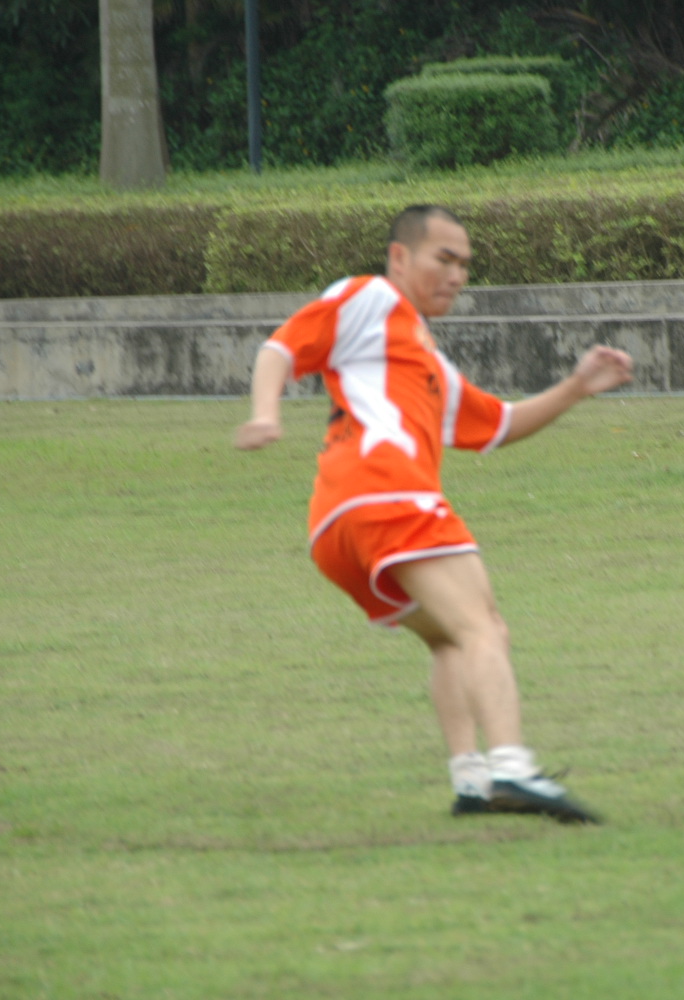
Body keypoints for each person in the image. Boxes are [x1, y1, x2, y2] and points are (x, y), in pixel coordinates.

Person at [235, 204, 633, 823]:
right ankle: (512, 768)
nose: (456, 275)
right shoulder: (371, 298)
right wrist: (266, 412)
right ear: (399, 257)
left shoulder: (427, 363)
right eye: (443, 259)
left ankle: (471, 780)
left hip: (337, 525)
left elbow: (497, 425)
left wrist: (575, 387)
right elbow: (281, 348)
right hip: (387, 495)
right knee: (483, 628)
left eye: (464, 265)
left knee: (449, 638)